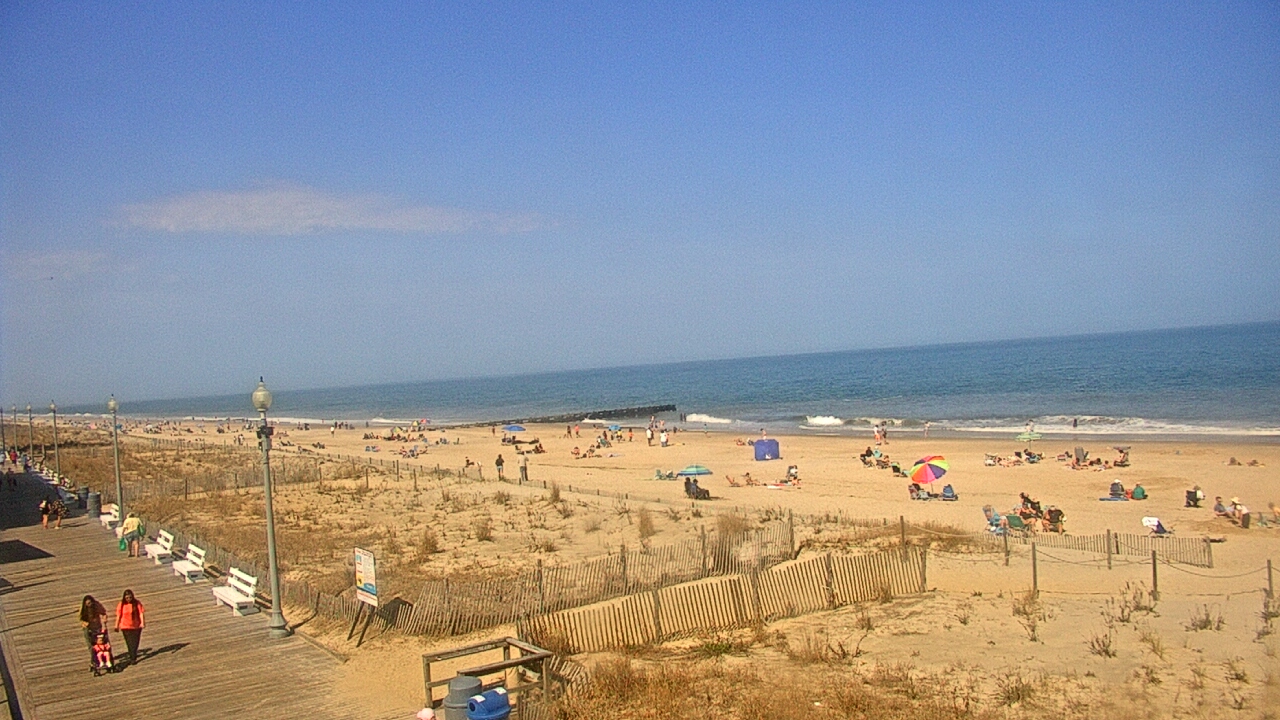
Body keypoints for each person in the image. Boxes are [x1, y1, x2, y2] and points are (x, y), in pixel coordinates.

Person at [115, 589, 145, 666]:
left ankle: (133, 654)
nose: (128, 599)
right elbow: (118, 615)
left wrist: (142, 622)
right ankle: (133, 658)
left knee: (135, 642)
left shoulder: (137, 603)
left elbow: (141, 613)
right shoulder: (121, 604)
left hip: (136, 626)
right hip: (125, 626)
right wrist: (116, 625)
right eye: (127, 598)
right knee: (129, 642)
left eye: (130, 597)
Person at [79, 595, 108, 673]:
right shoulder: (83, 609)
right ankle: (94, 662)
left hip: (97, 627)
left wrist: (104, 619)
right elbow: (81, 618)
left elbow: (103, 612)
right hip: (88, 629)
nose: (89, 605)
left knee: (101, 645)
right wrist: (85, 623)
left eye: (90, 603)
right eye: (87, 604)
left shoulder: (97, 605)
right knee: (92, 647)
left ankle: (102, 660)